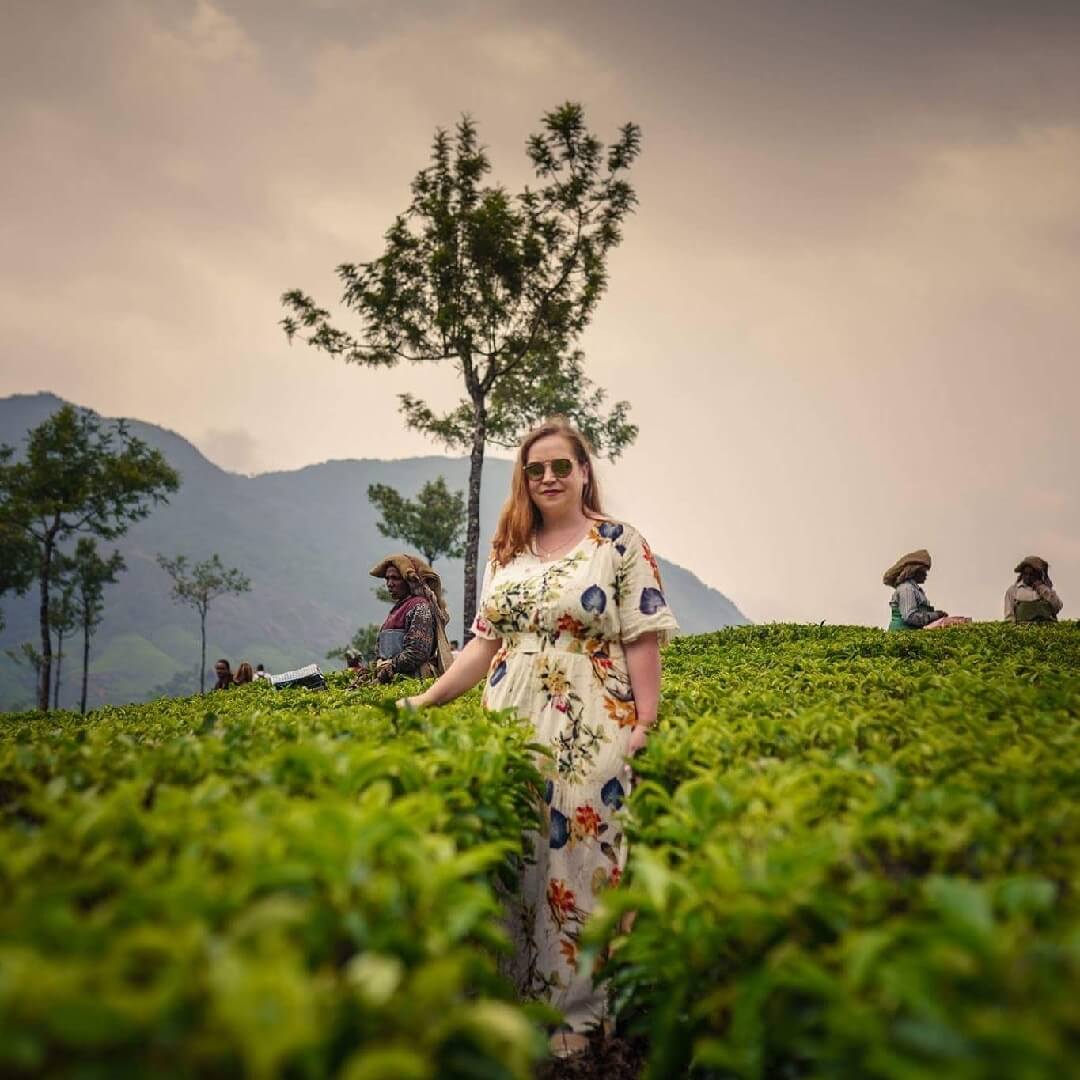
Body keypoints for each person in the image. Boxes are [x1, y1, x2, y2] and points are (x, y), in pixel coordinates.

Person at [399, 417, 678, 1057]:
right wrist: (426, 697)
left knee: (583, 865)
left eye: (561, 466)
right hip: (512, 721)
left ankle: (577, 1023)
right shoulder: (510, 552)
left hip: (591, 724)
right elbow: (482, 644)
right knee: (518, 864)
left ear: (584, 471)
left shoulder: (618, 543)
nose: (549, 477)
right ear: (523, 480)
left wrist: (645, 721)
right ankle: (511, 1010)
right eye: (536, 469)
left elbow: (640, 633)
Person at [365, 554, 452, 683]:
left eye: (395, 578)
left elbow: (417, 652)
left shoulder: (420, 607)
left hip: (411, 681)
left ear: (408, 581)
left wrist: (389, 668)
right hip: (391, 681)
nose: (389, 584)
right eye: (387, 579)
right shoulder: (398, 609)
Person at [883, 549, 970, 630]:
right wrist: (936, 615)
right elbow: (910, 617)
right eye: (924, 571)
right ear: (914, 571)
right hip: (904, 635)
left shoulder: (915, 589)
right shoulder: (906, 589)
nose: (926, 575)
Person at [1004, 556, 1063, 623]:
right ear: (1022, 574)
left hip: (1047, 629)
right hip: (1023, 630)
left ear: (1038, 575)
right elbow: (1009, 617)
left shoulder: (1046, 590)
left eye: (1032, 574)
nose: (1028, 577)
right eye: (1025, 574)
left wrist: (1042, 589)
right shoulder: (1013, 591)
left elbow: (1058, 606)